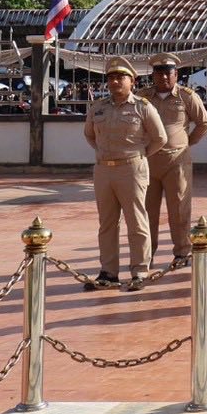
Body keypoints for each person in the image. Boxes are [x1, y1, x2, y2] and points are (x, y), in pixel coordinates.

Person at [83, 56, 167, 291]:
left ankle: (140, 270)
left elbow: (160, 138)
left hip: (131, 169)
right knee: (107, 223)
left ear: (132, 81)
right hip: (103, 171)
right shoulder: (98, 107)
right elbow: (90, 135)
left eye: (121, 77)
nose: (115, 81)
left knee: (136, 221)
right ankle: (108, 272)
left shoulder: (142, 106)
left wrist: (138, 154)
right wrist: (103, 152)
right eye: (111, 78)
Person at [136, 53, 207, 266]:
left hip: (176, 162)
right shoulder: (142, 97)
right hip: (148, 162)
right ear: (153, 75)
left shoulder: (187, 96)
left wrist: (186, 142)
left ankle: (182, 252)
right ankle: (147, 253)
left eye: (168, 73)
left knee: (179, 209)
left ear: (176, 74)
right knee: (147, 210)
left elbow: (203, 123)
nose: (164, 78)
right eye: (159, 73)